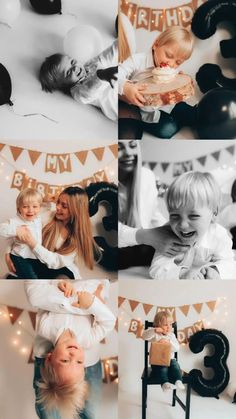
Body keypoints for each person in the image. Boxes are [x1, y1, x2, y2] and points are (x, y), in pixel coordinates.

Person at [25, 279, 115, 419]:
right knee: (50, 414)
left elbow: (39, 297)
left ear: (49, 358)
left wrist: (60, 289)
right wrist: (92, 304)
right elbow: (109, 321)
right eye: (79, 362)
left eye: (66, 360)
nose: (74, 354)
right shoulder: (87, 340)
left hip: (66, 283)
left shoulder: (45, 327)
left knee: (91, 413)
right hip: (88, 289)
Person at [149, 171, 236, 280]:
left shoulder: (219, 235)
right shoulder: (168, 235)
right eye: (175, 215)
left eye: (193, 216)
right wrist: (181, 273)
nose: (183, 225)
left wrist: (216, 270)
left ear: (214, 214)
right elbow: (156, 268)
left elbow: (229, 263)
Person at [118, 140, 190, 269]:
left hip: (143, 245)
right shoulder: (104, 179)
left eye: (133, 145)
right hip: (119, 247)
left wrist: (172, 231)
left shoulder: (147, 176)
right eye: (119, 148)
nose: (128, 153)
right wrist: (147, 236)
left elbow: (153, 214)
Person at [5, 186, 101, 279]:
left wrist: (32, 243)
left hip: (60, 269)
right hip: (38, 265)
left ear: (76, 210)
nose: (58, 207)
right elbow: (19, 227)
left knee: (62, 281)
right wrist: (8, 253)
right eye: (58, 202)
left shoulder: (78, 236)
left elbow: (55, 262)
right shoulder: (48, 216)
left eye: (64, 206)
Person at [119, 26, 196, 139]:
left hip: (164, 105)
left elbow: (170, 95)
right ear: (156, 44)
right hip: (139, 107)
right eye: (169, 56)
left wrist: (177, 84)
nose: (171, 64)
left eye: (178, 62)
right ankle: (175, 121)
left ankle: (186, 117)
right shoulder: (138, 60)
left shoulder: (171, 70)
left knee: (192, 115)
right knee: (168, 130)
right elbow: (116, 74)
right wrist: (126, 86)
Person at [39, 41, 118, 121]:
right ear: (64, 85)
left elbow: (106, 57)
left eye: (73, 62)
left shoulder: (90, 65)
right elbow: (88, 93)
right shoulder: (77, 91)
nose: (75, 68)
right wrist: (102, 75)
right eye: (68, 72)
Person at [0, 188, 44, 279]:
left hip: (35, 256)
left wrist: (49, 199)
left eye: (35, 206)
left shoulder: (38, 219)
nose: (30, 210)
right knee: (32, 280)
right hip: (20, 257)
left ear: (40, 207)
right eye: (25, 206)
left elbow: (45, 205)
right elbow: (2, 229)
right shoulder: (15, 221)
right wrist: (16, 230)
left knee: (37, 277)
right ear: (18, 208)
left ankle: (11, 277)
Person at [142, 311, 184, 391]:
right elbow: (144, 336)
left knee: (176, 366)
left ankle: (178, 381)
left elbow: (177, 348)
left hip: (170, 361)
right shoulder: (155, 335)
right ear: (158, 326)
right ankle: (165, 384)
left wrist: (169, 343)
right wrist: (154, 330)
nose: (169, 327)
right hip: (157, 363)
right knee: (162, 369)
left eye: (170, 324)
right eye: (165, 325)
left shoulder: (172, 336)